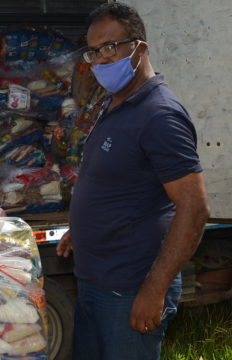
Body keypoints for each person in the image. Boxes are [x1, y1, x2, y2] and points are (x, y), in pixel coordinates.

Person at [55, 3, 210, 360]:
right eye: (94, 51)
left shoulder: (159, 116)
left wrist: (154, 290)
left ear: (140, 48)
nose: (100, 59)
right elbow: (118, 182)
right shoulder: (115, 105)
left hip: (129, 288)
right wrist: (84, 228)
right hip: (95, 282)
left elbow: (195, 207)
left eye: (110, 47)